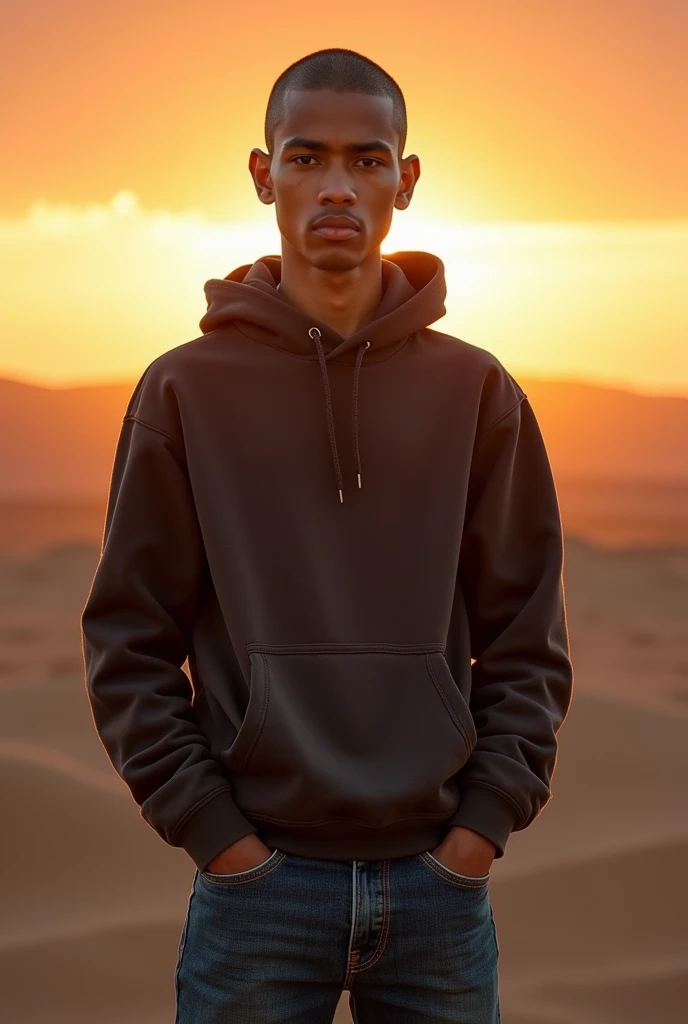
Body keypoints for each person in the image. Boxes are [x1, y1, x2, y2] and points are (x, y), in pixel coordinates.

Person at [81, 46, 574, 1024]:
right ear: (263, 175)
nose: (337, 185)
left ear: (406, 178)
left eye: (367, 158)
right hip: (257, 892)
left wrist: (476, 832)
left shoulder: (478, 392)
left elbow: (526, 638)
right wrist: (218, 837)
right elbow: (129, 644)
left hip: (438, 887)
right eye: (305, 158)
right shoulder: (182, 391)